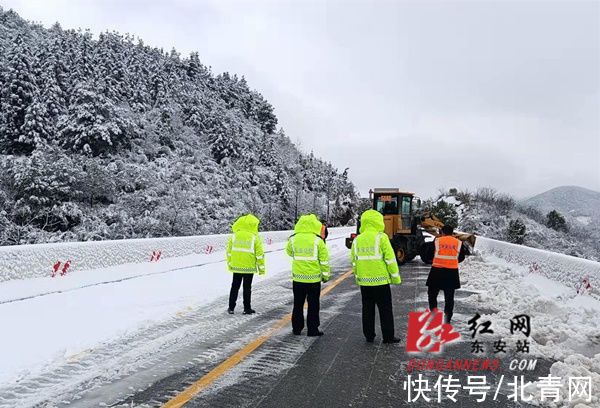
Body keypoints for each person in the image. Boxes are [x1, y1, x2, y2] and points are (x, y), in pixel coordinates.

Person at [350, 210, 402, 343]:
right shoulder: (381, 237)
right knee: (385, 310)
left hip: (365, 282)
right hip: (381, 281)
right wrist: (395, 277)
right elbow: (390, 259)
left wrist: (358, 278)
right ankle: (388, 336)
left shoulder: (357, 240)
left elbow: (354, 262)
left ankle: (369, 335)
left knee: (367, 309)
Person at [286, 214, 330, 336]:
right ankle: (312, 329)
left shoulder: (293, 239)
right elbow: (324, 260)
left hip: (298, 279)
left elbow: (289, 252)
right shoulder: (318, 240)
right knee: (313, 305)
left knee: (298, 304)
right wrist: (325, 275)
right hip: (313, 279)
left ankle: (297, 328)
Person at [425, 225, 468, 324]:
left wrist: (436, 260)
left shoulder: (437, 241)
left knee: (432, 295)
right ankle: (447, 319)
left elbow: (428, 254)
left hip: (436, 272)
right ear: (452, 233)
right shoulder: (458, 243)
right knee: (449, 298)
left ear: (442, 232)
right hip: (451, 273)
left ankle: (434, 314)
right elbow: (461, 257)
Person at [227, 214, 265, 314]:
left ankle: (231, 307)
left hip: (236, 266)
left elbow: (229, 252)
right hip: (248, 267)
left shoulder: (234, 236)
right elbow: (260, 255)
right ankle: (246, 308)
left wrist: (230, 264)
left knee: (234, 287)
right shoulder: (254, 237)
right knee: (247, 288)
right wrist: (261, 269)